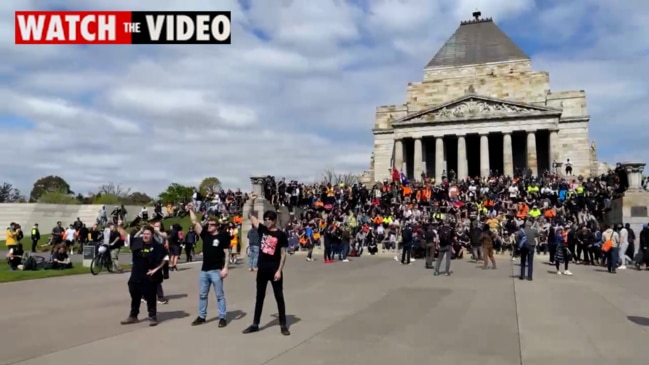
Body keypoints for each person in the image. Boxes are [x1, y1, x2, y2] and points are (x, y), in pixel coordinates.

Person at [242, 208, 290, 336]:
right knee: (259, 297)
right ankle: (255, 324)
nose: (267, 221)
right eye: (266, 219)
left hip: (274, 270)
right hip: (262, 270)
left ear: (274, 221)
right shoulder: (262, 230)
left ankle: (283, 324)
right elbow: (250, 216)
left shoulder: (281, 235)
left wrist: (279, 271)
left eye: (269, 219)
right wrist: (251, 203)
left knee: (279, 297)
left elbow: (283, 254)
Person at [188, 205, 230, 327]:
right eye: (208, 224)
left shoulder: (222, 237)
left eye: (212, 225)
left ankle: (222, 317)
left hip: (216, 270)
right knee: (202, 295)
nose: (209, 226)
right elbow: (195, 222)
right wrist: (190, 210)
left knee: (219, 296)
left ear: (217, 226)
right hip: (204, 271)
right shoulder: (205, 235)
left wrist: (225, 267)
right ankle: (202, 316)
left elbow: (227, 253)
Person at [121, 225, 167, 326]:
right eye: (144, 234)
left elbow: (166, 258)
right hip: (136, 275)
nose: (145, 236)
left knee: (150, 297)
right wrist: (118, 226)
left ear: (152, 235)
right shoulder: (137, 242)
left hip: (149, 276)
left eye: (148, 234)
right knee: (134, 293)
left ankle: (152, 316)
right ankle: (133, 316)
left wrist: (156, 269)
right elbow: (126, 236)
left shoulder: (157, 246)